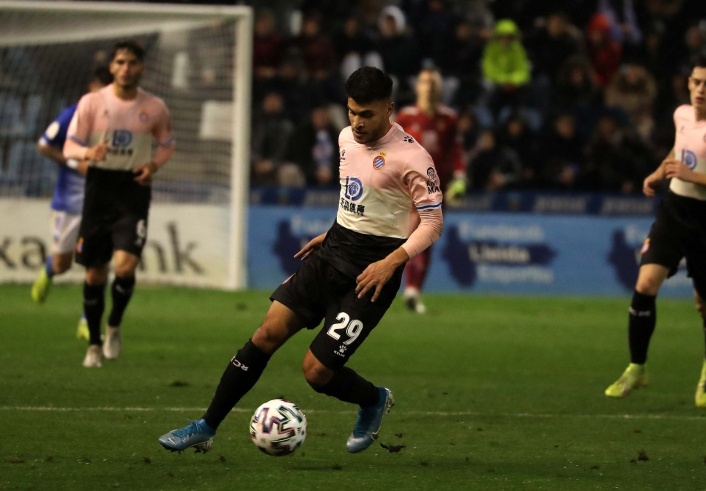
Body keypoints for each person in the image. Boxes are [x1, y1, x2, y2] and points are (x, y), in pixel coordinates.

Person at [158, 66, 443, 454]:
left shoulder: (412, 157)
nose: (357, 123)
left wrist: (391, 262)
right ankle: (206, 426)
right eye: (352, 112)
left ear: (389, 109)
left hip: (371, 275)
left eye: (367, 114)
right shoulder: (345, 138)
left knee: (316, 371)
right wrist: (332, 232)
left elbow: (432, 222)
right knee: (265, 335)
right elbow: (359, 201)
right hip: (331, 254)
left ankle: (374, 399)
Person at [604, 55, 706, 408]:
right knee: (645, 285)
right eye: (695, 82)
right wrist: (660, 172)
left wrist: (693, 176)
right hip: (674, 211)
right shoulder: (682, 115)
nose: (700, 89)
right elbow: (680, 149)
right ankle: (637, 368)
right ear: (688, 83)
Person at [63, 41, 175, 368]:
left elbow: (167, 144)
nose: (126, 68)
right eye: (121, 62)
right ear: (112, 66)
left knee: (125, 267)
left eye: (132, 62)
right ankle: (94, 344)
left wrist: (153, 165)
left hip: (133, 189)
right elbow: (70, 146)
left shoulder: (155, 107)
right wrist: (88, 153)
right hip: (99, 188)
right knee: (95, 273)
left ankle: (113, 325)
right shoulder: (92, 102)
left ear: (142, 67)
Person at [31, 66, 113, 341]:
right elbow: (44, 145)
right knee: (63, 264)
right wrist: (74, 163)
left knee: (98, 264)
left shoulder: (121, 119)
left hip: (101, 202)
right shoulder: (72, 114)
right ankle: (49, 269)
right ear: (91, 88)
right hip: (70, 203)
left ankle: (87, 321)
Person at [393, 67, 465, 313]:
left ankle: (412, 290)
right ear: (417, 87)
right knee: (414, 237)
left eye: (433, 83)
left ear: (440, 88)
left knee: (425, 239)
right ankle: (407, 287)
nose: (429, 87)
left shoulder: (449, 119)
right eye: (425, 82)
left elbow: (456, 151)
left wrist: (460, 177)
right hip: (409, 188)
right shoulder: (406, 117)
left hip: (437, 188)